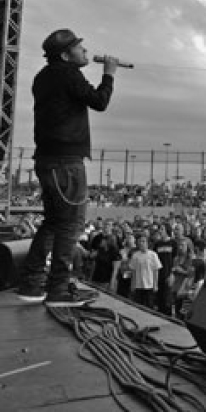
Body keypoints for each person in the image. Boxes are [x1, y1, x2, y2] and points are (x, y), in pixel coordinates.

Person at [17, 29, 118, 307]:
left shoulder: (43, 76)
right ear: (64, 55)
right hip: (66, 162)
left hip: (47, 159)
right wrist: (109, 74)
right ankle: (58, 290)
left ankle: (31, 284)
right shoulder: (67, 73)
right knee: (70, 224)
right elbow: (99, 102)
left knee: (52, 222)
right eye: (78, 48)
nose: (85, 52)